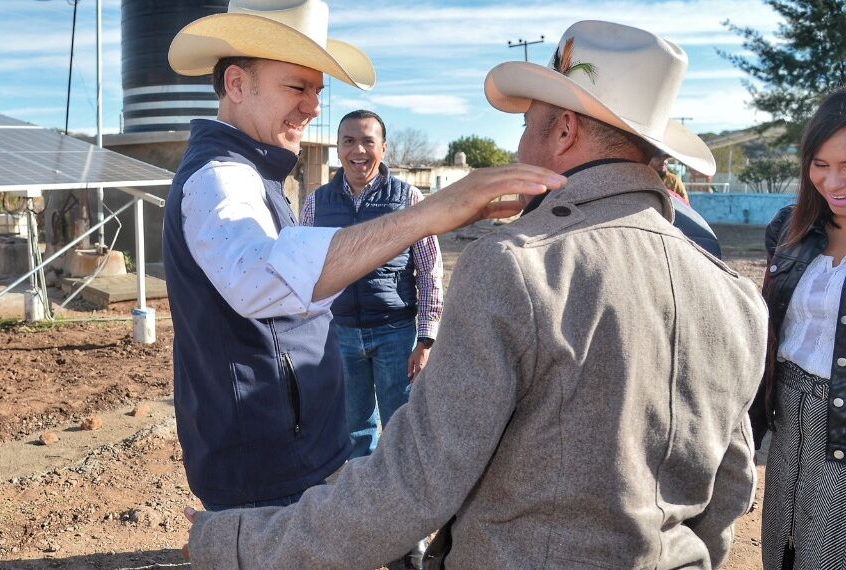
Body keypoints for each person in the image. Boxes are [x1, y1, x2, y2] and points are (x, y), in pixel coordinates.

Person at [181, 20, 767, 569]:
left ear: (563, 132)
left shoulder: (519, 268)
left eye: (525, 123)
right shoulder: (737, 298)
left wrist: (231, 542)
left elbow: (412, 486)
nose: (516, 144)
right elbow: (729, 491)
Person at [163, 0, 564, 520]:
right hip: (267, 461)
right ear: (237, 85)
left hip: (285, 447)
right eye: (297, 87)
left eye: (316, 92)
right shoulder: (221, 177)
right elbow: (261, 278)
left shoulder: (253, 172)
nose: (312, 106)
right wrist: (430, 214)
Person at [301, 109, 444, 460]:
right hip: (340, 335)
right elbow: (303, 272)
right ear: (338, 149)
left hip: (396, 335)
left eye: (368, 141)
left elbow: (429, 271)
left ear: (384, 148)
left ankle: (409, 504)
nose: (358, 151)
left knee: (403, 428)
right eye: (349, 141)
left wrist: (426, 338)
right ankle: (367, 503)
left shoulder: (408, 199)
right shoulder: (316, 204)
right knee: (355, 429)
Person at [755, 88, 846, 569]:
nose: (833, 181)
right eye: (820, 164)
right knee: (783, 547)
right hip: (787, 416)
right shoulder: (790, 229)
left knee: (829, 554)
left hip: (842, 420)